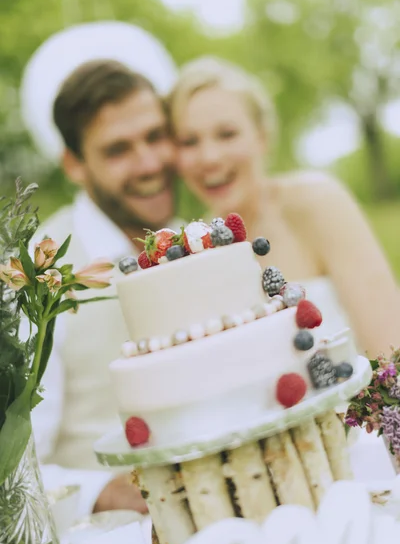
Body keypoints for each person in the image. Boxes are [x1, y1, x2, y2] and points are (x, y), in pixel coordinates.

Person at [28, 58, 184, 517]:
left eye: (156, 136)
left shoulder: (195, 243)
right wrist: (106, 493)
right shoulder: (37, 276)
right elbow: (14, 469)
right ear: (75, 165)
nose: (150, 163)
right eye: (119, 149)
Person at [168, 56, 400, 357]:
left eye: (227, 134)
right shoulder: (192, 256)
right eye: (188, 141)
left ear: (261, 138)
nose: (209, 157)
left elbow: (392, 354)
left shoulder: (317, 202)